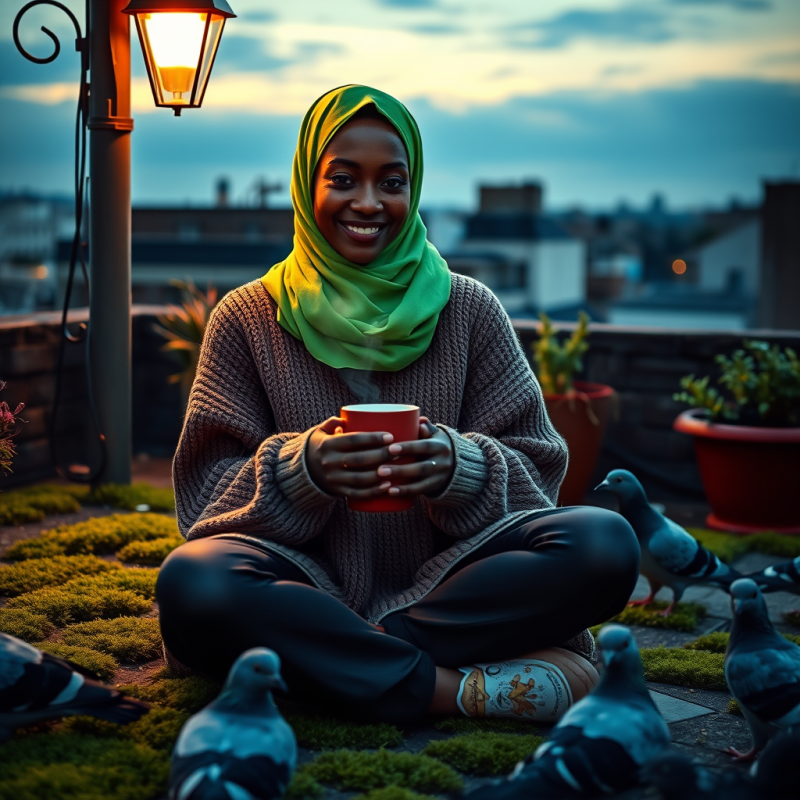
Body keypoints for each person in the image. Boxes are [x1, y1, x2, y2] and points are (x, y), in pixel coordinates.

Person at [157, 85, 640, 726]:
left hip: (447, 585)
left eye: (391, 181)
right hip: (302, 583)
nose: (367, 202)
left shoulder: (468, 309)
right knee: (195, 581)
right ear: (307, 185)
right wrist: (304, 472)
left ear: (413, 189)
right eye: (343, 179)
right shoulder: (247, 317)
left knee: (606, 543)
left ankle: (333, 663)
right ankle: (454, 691)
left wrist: (457, 469)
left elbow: (539, 474)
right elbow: (205, 498)